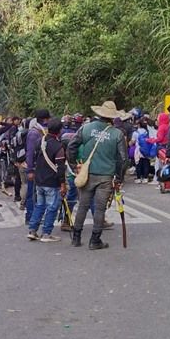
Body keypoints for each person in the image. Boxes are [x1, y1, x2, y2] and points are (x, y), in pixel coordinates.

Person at [66, 101, 126, 250]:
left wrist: (74, 165)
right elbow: (123, 159)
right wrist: (119, 178)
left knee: (82, 206)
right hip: (106, 176)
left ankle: (76, 237)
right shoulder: (117, 134)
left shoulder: (86, 128)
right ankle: (95, 240)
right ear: (112, 117)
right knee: (100, 209)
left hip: (87, 174)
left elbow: (71, 146)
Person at [27, 119, 66, 242]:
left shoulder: (40, 141)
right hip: (51, 182)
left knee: (39, 205)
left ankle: (32, 231)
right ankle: (46, 233)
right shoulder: (58, 147)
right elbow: (60, 167)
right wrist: (63, 184)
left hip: (39, 180)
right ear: (59, 131)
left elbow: (33, 158)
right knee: (52, 207)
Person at [25, 109, 51, 223]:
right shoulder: (34, 133)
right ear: (45, 119)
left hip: (40, 167)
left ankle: (35, 216)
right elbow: (30, 153)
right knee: (32, 193)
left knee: (37, 193)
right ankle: (30, 216)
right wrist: (30, 170)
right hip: (34, 168)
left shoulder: (42, 131)